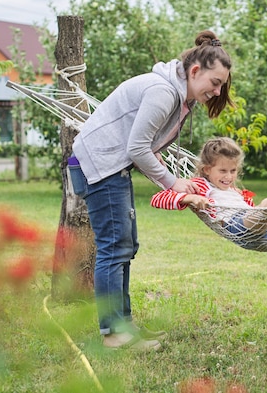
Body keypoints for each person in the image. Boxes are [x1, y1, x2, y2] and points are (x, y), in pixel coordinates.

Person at [68, 30, 234, 351]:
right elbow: (137, 148)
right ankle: (114, 334)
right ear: (195, 71)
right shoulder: (163, 92)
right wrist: (173, 183)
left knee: (125, 246)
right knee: (114, 248)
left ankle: (124, 326)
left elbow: (145, 148)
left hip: (107, 166)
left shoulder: (175, 94)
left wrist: (174, 186)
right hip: (99, 167)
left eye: (221, 86)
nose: (216, 91)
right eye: (214, 83)